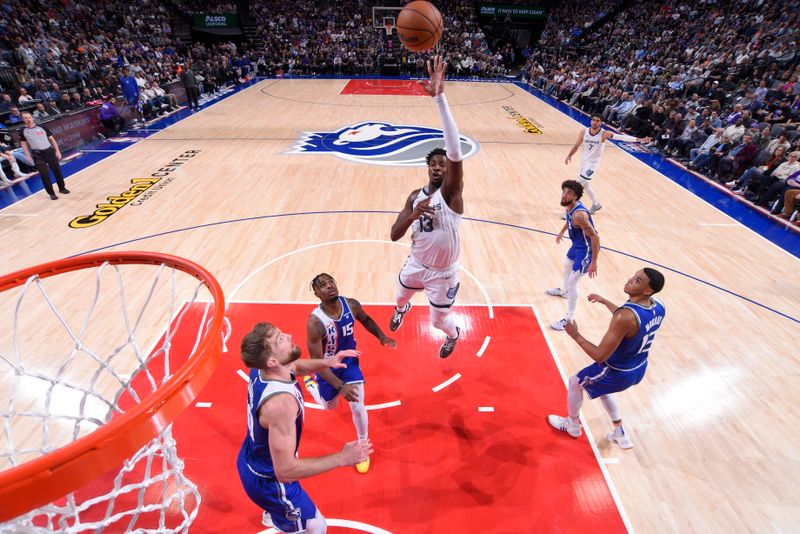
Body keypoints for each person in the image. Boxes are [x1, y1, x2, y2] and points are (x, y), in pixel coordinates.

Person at [237, 322, 373, 533]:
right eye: (281, 339)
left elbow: (295, 366)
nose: (290, 334)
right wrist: (342, 458)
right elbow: (286, 471)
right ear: (272, 360)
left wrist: (327, 361)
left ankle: (273, 513)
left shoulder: (263, 369)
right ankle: (277, 511)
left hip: (252, 457)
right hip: (272, 483)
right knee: (317, 527)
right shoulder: (281, 404)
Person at [388, 55, 464, 358]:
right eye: (433, 164)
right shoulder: (414, 196)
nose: (438, 168)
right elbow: (394, 234)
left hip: (444, 273)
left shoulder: (452, 196)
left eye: (442, 165)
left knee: (438, 321)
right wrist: (413, 213)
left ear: (448, 170)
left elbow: (456, 151)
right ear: (427, 167)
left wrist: (440, 99)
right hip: (417, 263)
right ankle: (401, 309)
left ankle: (454, 335)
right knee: (399, 295)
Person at [548, 268, 666, 450]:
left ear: (647, 290)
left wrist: (575, 335)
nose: (630, 280)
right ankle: (619, 431)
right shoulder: (658, 305)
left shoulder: (624, 316)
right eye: (634, 275)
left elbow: (599, 355)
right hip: (639, 367)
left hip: (615, 371)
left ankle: (572, 425)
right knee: (603, 389)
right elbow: (630, 322)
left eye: (638, 280)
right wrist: (604, 301)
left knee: (575, 383)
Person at [303, 273, 396, 474]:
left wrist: (382, 336)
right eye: (323, 285)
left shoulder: (351, 305)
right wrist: (339, 386)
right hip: (327, 369)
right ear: (317, 293)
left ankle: (363, 447)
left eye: (331, 282)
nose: (329, 286)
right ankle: (312, 386)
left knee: (358, 405)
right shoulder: (315, 323)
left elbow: (367, 320)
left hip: (350, 363)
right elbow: (318, 363)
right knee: (329, 406)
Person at [564, 115, 651, 214]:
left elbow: (621, 137)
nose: (595, 122)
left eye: (597, 121)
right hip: (584, 162)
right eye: (593, 120)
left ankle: (570, 208)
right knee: (586, 186)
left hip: (592, 165)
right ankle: (596, 204)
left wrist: (639, 139)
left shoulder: (604, 134)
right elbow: (576, 145)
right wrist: (569, 155)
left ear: (600, 123)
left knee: (578, 185)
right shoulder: (584, 132)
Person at [546, 180, 600, 330]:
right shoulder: (569, 206)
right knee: (566, 266)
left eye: (569, 193)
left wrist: (594, 261)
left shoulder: (580, 216)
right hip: (576, 245)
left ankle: (569, 319)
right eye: (564, 191)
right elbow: (569, 219)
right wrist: (562, 231)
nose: (564, 195)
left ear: (575, 197)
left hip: (586, 250)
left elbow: (595, 237)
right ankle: (563, 292)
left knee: (572, 282)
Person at [19, 112, 69, 200]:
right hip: (37, 154)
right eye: (26, 118)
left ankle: (62, 188)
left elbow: (52, 139)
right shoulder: (22, 130)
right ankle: (51, 193)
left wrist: (57, 151)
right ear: (23, 120)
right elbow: (23, 144)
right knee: (44, 175)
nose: (28, 119)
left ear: (32, 118)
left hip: (49, 152)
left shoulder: (42, 127)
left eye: (29, 117)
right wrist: (27, 155)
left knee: (57, 171)